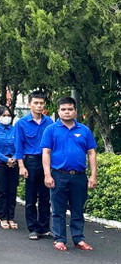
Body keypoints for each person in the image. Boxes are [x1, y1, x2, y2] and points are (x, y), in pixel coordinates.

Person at [42, 97, 97, 252]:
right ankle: (59, 239)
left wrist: (93, 176)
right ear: (58, 111)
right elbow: (46, 152)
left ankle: (78, 238)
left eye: (70, 109)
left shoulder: (84, 130)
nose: (67, 112)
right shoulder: (51, 130)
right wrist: (47, 174)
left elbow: (91, 153)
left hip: (79, 176)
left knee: (78, 209)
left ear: (75, 111)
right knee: (58, 209)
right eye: (63, 109)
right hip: (59, 175)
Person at [16, 91, 54, 240]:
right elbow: (18, 146)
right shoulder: (21, 123)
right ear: (29, 104)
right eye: (36, 103)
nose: (39, 106)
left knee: (45, 196)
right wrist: (21, 165)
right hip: (30, 161)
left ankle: (44, 227)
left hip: (47, 161)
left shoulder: (49, 122)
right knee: (31, 197)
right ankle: (32, 228)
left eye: (41, 103)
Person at [0, 106, 19, 230]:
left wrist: (14, 158)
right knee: (1, 191)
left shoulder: (15, 130)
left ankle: (11, 217)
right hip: (0, 163)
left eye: (8, 115)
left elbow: (19, 146)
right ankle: (2, 217)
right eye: (4, 115)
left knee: (12, 191)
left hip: (13, 163)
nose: (6, 118)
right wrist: (5, 159)